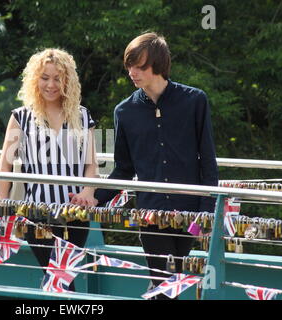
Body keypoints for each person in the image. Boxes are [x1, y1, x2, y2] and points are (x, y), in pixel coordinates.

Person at [93, 32, 219, 299]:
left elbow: (207, 159)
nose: (132, 72)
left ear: (159, 65)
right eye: (129, 65)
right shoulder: (124, 111)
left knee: (170, 285)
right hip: (150, 215)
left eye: (140, 66)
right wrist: (94, 199)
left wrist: (207, 212)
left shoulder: (195, 100)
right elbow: (123, 169)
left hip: (190, 213)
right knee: (163, 284)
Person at [0, 48, 99, 290]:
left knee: (62, 280)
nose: (51, 84)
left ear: (67, 80)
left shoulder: (83, 116)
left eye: (57, 78)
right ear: (34, 79)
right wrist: (2, 205)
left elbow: (92, 165)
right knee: (59, 281)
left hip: (76, 215)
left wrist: (88, 191)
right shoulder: (20, 117)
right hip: (36, 215)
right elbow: (5, 165)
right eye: (44, 77)